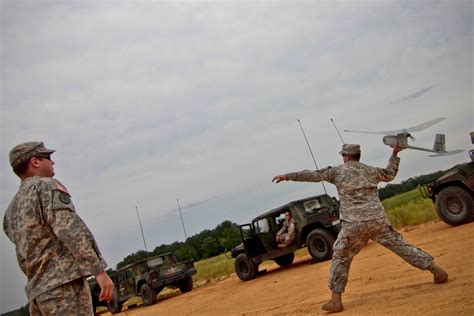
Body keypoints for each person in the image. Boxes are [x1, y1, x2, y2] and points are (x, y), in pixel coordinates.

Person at [272, 144, 448, 313]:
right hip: (377, 221)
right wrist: (394, 154)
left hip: (353, 225)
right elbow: (390, 174)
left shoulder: (336, 172)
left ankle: (336, 300)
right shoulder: (370, 170)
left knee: (341, 256)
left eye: (342, 155)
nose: (342, 158)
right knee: (401, 246)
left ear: (346, 156)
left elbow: (312, 175)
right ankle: (436, 270)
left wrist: (287, 176)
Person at [3, 142, 115, 315]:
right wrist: (98, 271)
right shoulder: (46, 186)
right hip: (64, 288)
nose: (53, 162)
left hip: (39, 294)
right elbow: (69, 230)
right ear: (35, 162)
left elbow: (22, 256)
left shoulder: (10, 212)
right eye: (48, 157)